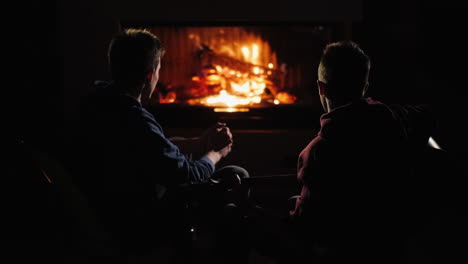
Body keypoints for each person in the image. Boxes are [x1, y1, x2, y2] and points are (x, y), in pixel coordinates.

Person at [64, 28, 249, 263]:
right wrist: (216, 154)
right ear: (150, 75)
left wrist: (199, 143)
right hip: (133, 222)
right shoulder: (133, 117)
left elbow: (152, 149)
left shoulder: (98, 102)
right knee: (236, 176)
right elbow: (187, 176)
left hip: (99, 212)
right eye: (160, 68)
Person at [244, 41, 438, 264]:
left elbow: (303, 227)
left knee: (239, 218)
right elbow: (426, 115)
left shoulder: (318, 153)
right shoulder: (395, 118)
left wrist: (253, 209)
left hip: (337, 250)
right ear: (365, 85)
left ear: (321, 88)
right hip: (386, 241)